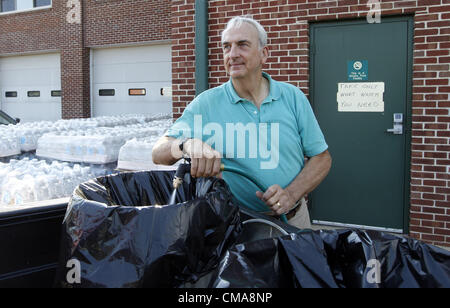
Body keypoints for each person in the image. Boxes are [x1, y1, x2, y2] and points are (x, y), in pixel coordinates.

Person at [152, 16, 332, 228]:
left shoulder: (293, 97)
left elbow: (321, 158)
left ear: (264, 53)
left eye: (242, 45)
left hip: (293, 220)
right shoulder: (206, 104)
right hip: (236, 225)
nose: (233, 54)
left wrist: (291, 195)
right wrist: (186, 145)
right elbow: (158, 153)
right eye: (226, 47)